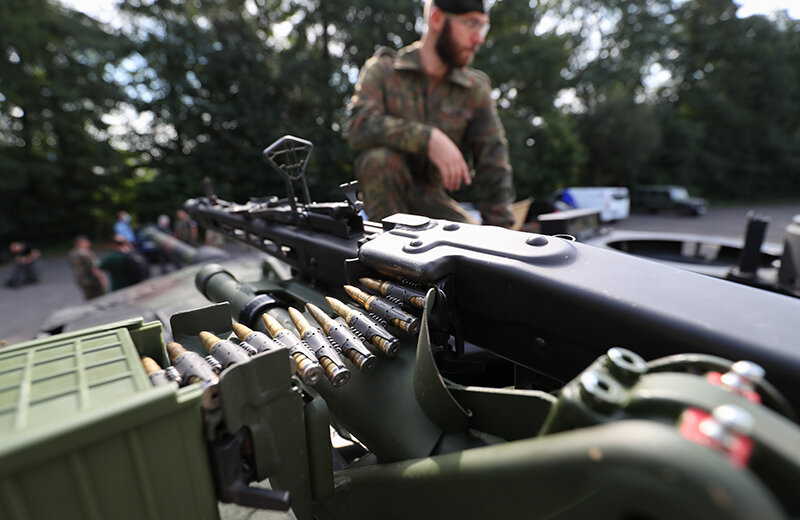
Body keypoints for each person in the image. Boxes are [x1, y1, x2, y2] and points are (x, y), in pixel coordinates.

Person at [346, 0, 515, 227]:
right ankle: (389, 248)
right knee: (378, 160)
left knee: (474, 243)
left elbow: (493, 162)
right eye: (471, 24)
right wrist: (428, 139)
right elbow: (359, 126)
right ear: (436, 19)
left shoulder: (473, 89)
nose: (479, 38)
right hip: (385, 205)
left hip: (434, 203)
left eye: (483, 27)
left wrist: (502, 234)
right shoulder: (384, 72)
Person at [68, 235, 107, 300]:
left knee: (90, 299)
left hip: (83, 280)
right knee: (102, 298)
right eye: (87, 242)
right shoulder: (86, 253)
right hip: (93, 280)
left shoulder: (72, 253)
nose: (89, 243)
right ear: (81, 243)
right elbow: (94, 267)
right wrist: (101, 278)